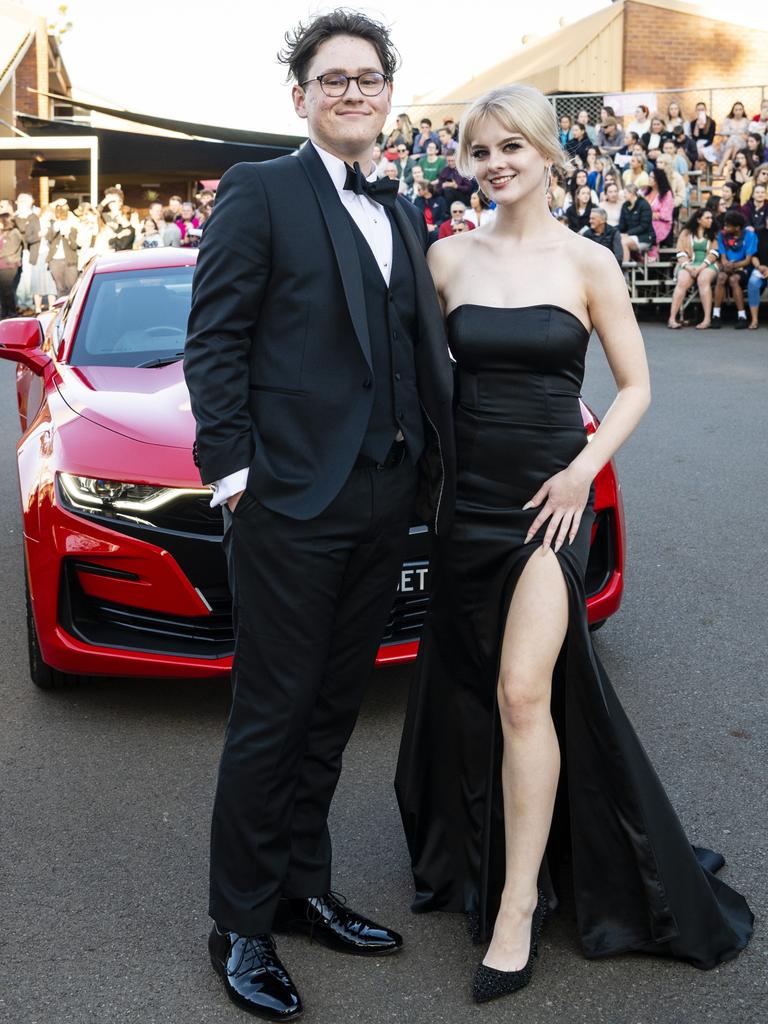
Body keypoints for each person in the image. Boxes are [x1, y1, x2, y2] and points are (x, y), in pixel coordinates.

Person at [395, 82, 754, 1008]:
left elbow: (634, 387)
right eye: (479, 151)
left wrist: (583, 471)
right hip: (464, 504)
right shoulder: (444, 260)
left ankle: (516, 910)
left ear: (550, 153)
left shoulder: (591, 262)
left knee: (523, 693)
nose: (494, 164)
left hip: (551, 505)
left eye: (511, 146)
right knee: (476, 689)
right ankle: (495, 849)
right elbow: (413, 383)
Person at [183, 11, 455, 1020]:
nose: (353, 91)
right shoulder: (259, 191)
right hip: (290, 502)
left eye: (369, 77)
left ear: (389, 95)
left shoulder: (404, 204)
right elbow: (213, 342)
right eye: (332, 78)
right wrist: (236, 477)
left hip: (388, 494)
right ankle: (238, 923)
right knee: (272, 716)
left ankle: (301, 889)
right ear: (299, 97)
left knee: (335, 709)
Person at [666, 208, 719, 329]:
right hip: (689, 263)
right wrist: (688, 267)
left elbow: (714, 253)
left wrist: (701, 267)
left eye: (711, 218)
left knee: (703, 279)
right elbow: (680, 252)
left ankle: (707, 319)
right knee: (682, 281)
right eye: (707, 218)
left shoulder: (714, 233)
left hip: (708, 264)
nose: (710, 220)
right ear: (699, 220)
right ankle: (672, 318)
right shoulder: (686, 233)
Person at [711, 210, 757, 329]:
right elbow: (723, 257)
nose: (724, 227)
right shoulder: (722, 235)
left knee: (734, 280)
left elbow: (747, 260)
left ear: (737, 227)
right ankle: (716, 315)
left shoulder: (750, 236)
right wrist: (726, 265)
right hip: (728, 266)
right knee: (721, 278)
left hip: (743, 267)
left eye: (727, 225)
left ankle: (742, 316)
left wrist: (734, 266)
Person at [46, 202, 79, 297]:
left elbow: (74, 246)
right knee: (60, 288)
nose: (61, 215)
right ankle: (61, 309)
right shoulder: (53, 224)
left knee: (73, 287)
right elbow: (48, 238)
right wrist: (55, 228)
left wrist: (68, 236)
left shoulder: (73, 225)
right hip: (55, 260)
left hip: (70, 260)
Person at [618, 182, 653, 261]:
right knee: (616, 239)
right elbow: (622, 225)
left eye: (625, 193)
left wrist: (627, 234)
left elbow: (644, 226)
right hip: (630, 236)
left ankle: (624, 271)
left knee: (623, 242)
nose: (624, 195)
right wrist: (612, 230)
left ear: (632, 193)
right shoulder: (625, 205)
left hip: (644, 237)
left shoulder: (644, 205)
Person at [0, 212, 23, 318]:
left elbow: (11, 249)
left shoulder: (15, 232)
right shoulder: (2, 233)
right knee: (2, 290)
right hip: (1, 265)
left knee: (8, 290)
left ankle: (12, 312)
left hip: (9, 265)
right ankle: (4, 312)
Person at [746, 224, 768, 328]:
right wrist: (759, 267)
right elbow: (753, 256)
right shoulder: (758, 233)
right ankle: (754, 320)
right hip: (761, 268)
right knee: (753, 283)